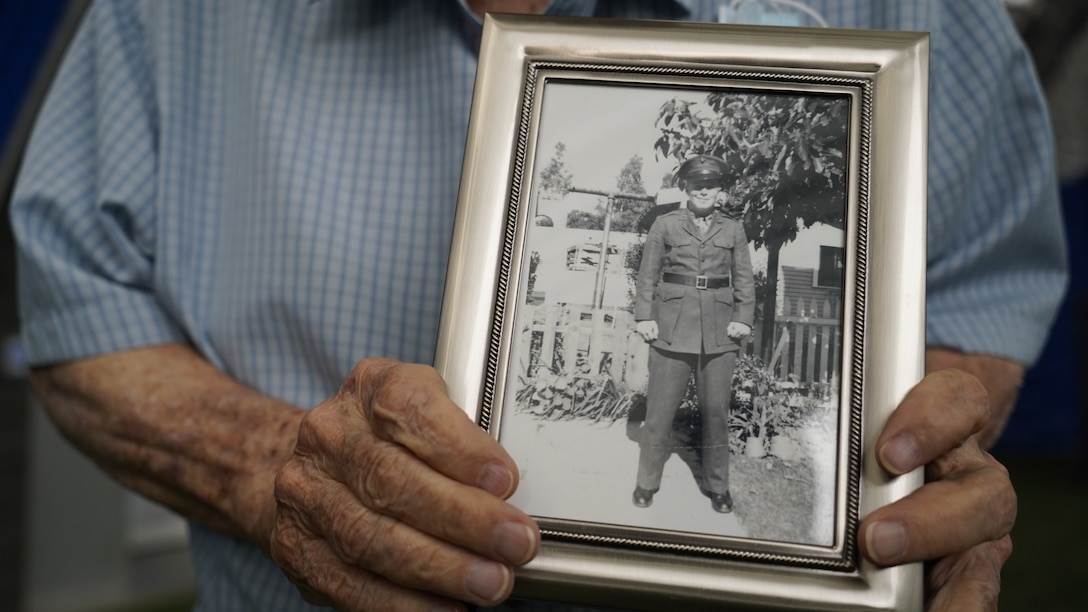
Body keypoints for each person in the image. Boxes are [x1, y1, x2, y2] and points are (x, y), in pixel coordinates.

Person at [7, 1, 1066, 610]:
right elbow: (75, 306)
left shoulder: (927, 14)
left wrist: (900, 444)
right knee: (651, 423)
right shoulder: (168, 16)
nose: (698, 199)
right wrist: (269, 468)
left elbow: (982, 283)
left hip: (718, 357)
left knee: (700, 432)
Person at [632, 154, 755, 513]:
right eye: (697, 184)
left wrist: (744, 319)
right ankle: (646, 483)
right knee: (659, 414)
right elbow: (647, 275)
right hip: (670, 329)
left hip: (719, 334)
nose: (704, 190)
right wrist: (644, 317)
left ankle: (718, 487)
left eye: (711, 185)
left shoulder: (733, 229)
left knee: (716, 414)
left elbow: (744, 280)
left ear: (720, 191)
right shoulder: (665, 224)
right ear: (686, 187)